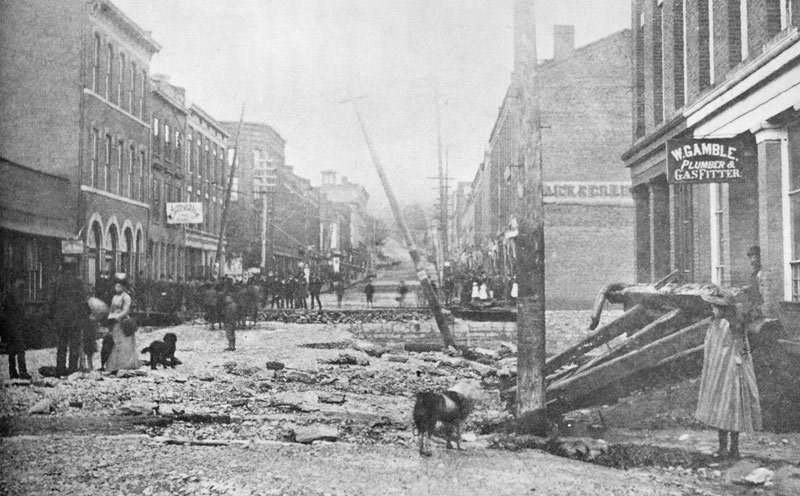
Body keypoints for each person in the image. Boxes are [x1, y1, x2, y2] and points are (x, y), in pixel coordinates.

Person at [696, 287, 762, 460]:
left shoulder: (733, 326)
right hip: (718, 372)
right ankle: (722, 448)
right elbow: (712, 348)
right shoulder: (714, 324)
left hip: (732, 372)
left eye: (715, 307)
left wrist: (739, 362)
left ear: (723, 308)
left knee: (733, 409)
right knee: (719, 408)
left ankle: (734, 448)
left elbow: (743, 349)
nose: (712, 310)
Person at [50, 260, 89, 375]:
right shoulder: (78, 281)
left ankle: (60, 369)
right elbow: (83, 300)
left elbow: (52, 300)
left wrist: (52, 316)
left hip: (61, 318)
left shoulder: (57, 281)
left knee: (61, 344)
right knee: (74, 344)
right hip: (75, 319)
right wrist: (86, 314)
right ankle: (72, 369)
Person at [105, 274, 139, 373]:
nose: (117, 288)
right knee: (116, 342)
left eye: (119, 286)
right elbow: (112, 308)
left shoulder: (126, 297)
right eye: (116, 286)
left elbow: (126, 310)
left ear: (123, 287)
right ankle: (115, 364)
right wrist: (110, 316)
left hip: (123, 322)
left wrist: (118, 316)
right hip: (115, 322)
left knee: (125, 343)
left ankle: (126, 364)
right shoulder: (115, 297)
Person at [1, 279, 31, 380]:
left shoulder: (8, 293)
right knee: (20, 348)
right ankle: (23, 372)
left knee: (12, 350)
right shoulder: (16, 293)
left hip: (9, 325)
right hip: (15, 324)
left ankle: (12, 372)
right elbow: (19, 308)